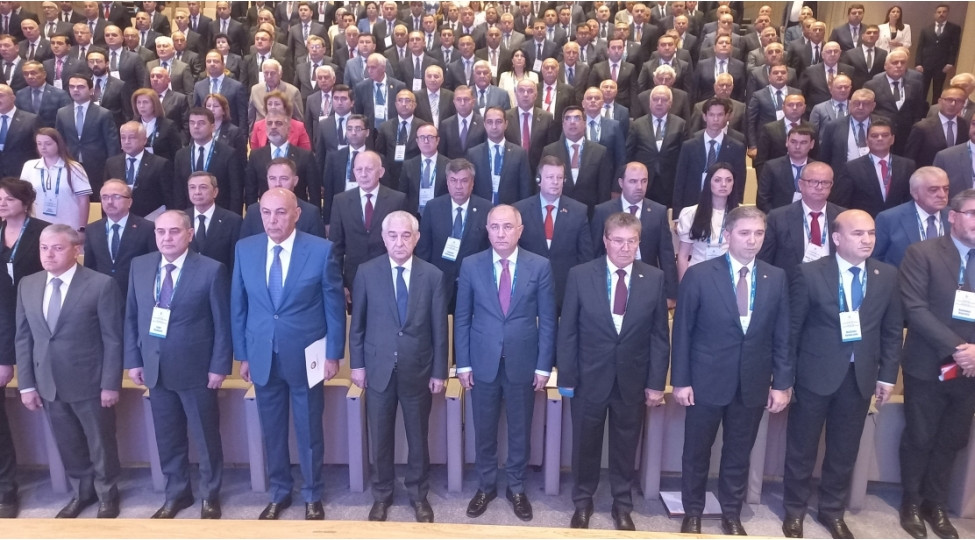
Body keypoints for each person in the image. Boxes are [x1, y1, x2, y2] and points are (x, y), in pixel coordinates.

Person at [671, 206, 792, 535]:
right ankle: (693, 511)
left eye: (759, 233)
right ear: (727, 235)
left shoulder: (775, 277)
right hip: (705, 381)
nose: (752, 240)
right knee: (696, 451)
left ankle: (731, 513)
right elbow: (682, 332)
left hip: (752, 382)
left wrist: (781, 383)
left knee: (739, 453)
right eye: (744, 233)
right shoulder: (699, 274)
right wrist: (680, 381)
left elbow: (782, 335)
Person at [783, 209, 903, 539]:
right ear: (836, 238)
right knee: (802, 447)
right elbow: (792, 330)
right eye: (858, 233)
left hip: (860, 377)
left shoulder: (887, 275)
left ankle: (832, 510)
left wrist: (887, 375)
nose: (867, 240)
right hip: (814, 374)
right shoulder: (809, 273)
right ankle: (794, 509)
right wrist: (785, 378)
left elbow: (892, 330)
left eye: (871, 233)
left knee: (844, 450)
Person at [231, 188, 346, 520]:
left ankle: (312, 493)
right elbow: (238, 306)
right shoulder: (245, 249)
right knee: (272, 430)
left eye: (280, 212)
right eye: (266, 213)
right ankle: (279, 492)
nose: (272, 220)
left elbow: (334, 307)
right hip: (262, 354)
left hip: (306, 356)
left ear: (296, 214)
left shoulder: (321, 250)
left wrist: (333, 354)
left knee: (309, 429)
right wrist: (243, 355)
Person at [557, 211, 669, 531]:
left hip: (632, 379)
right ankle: (583, 502)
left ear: (639, 242)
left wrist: (656, 383)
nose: (624, 247)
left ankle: (622, 505)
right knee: (585, 444)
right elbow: (568, 332)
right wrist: (567, 378)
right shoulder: (580, 275)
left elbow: (659, 336)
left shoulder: (654, 278)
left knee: (625, 446)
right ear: (605, 241)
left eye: (631, 241)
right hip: (588, 377)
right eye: (618, 241)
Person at [124, 210, 231, 520]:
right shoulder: (140, 266)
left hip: (197, 370)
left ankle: (210, 494)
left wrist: (219, 366)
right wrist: (134, 360)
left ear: (189, 234)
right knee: (167, 437)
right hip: (155, 368)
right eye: (161, 232)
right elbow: (131, 315)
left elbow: (222, 324)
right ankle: (177, 493)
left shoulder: (211, 269)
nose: (166, 238)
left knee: (205, 437)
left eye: (174, 231)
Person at [454, 204, 556, 522]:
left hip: (523, 362)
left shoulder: (539, 266)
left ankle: (516, 487)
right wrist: (463, 364)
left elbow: (548, 320)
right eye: (495, 227)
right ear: (487, 230)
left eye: (507, 227)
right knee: (484, 428)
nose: (501, 233)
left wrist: (543, 366)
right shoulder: (471, 265)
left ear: (520, 230)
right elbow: (462, 318)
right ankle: (486, 486)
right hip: (481, 362)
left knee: (520, 429)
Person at [15, 224, 123, 519]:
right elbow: (23, 338)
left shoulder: (100, 285)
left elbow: (113, 338)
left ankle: (107, 494)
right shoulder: (28, 284)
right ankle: (82, 492)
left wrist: (110, 383)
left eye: (57, 248)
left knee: (100, 443)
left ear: (77, 250)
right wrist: (26, 384)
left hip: (90, 381)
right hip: (48, 382)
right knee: (68, 444)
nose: (48, 254)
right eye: (44, 248)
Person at [349, 210, 448, 524]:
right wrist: (357, 365)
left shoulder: (432, 276)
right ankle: (382, 494)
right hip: (377, 369)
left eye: (406, 235)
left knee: (418, 437)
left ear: (416, 238)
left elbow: (439, 329)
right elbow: (358, 325)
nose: (399, 242)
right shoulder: (367, 273)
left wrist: (439, 371)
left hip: (418, 370)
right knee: (380, 436)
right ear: (383, 238)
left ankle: (418, 494)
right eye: (393, 235)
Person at [898, 188, 975, 539]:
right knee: (920, 435)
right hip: (928, 363)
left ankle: (936, 503)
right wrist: (960, 348)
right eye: (972, 213)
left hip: (971, 370)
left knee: (953, 438)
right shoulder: (923, 253)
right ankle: (911, 503)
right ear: (953, 217)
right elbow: (915, 309)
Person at [513, 155, 594, 310]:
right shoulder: (520, 210)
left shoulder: (579, 211)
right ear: (539, 180)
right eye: (550, 177)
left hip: (565, 289)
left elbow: (585, 256)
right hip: (527, 286)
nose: (555, 182)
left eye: (559, 178)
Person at [592, 161, 678, 305]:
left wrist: (671, 293)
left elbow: (666, 254)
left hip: (647, 280)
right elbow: (595, 251)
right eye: (633, 181)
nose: (639, 187)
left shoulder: (658, 212)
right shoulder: (603, 211)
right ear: (621, 183)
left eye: (644, 181)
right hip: (611, 279)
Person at [329, 150, 407, 301]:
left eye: (369, 169)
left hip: (388, 276)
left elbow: (405, 242)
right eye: (359, 169)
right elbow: (335, 247)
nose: (363, 174)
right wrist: (340, 283)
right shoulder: (341, 201)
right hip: (353, 279)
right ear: (353, 172)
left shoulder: (397, 200)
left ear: (381, 172)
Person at [416, 158, 491, 313]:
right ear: (447, 182)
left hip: (475, 283)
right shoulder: (433, 207)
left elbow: (489, 249)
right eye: (453, 180)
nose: (458, 186)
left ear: (472, 183)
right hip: (440, 283)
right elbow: (424, 249)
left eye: (464, 181)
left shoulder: (486, 208)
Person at [759, 162, 845, 274]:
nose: (819, 187)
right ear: (800, 184)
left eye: (825, 182)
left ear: (831, 185)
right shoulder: (777, 218)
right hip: (792, 281)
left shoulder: (843, 217)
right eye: (813, 182)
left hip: (833, 279)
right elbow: (765, 262)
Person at [672, 97, 746, 217]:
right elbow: (680, 181)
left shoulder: (736, 148)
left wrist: (735, 213)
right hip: (692, 204)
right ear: (704, 116)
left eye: (720, 115)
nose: (715, 119)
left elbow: (739, 184)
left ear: (726, 117)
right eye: (711, 115)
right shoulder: (689, 146)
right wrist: (676, 215)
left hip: (723, 207)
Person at [83, 179, 156, 296]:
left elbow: (153, 264)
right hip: (102, 294)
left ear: (129, 202)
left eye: (116, 197)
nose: (109, 202)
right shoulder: (92, 229)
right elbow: (89, 267)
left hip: (135, 292)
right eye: (105, 197)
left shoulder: (147, 228)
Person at [54, 75, 120, 198]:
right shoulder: (62, 113)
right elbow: (59, 140)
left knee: (96, 199)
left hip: (97, 165)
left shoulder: (103, 113)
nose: (75, 90)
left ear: (91, 90)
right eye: (72, 87)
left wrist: (113, 169)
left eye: (80, 87)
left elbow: (112, 143)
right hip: (71, 163)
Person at [835, 119, 914, 218]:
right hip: (864, 222)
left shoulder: (907, 165)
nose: (880, 139)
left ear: (892, 139)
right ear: (866, 140)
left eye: (885, 135)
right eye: (874, 136)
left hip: (898, 221)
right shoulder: (851, 168)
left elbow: (910, 199)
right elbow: (842, 204)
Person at [539, 106, 611, 214]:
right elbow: (542, 185)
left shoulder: (600, 152)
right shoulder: (550, 151)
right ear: (563, 124)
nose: (572, 122)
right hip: (557, 212)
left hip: (590, 213)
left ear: (585, 123)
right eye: (568, 118)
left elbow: (604, 191)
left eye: (577, 118)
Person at [172, 107, 244, 215]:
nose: (196, 126)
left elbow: (236, 192)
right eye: (192, 123)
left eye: (201, 123)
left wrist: (234, 218)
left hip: (220, 214)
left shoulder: (228, 154)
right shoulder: (181, 155)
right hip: (189, 215)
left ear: (213, 127)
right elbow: (178, 191)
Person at [874, 167, 950, 267]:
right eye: (933, 190)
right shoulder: (889, 219)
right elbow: (875, 260)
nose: (942, 195)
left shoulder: (956, 216)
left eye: (946, 189)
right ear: (915, 193)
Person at [676, 163, 740, 281]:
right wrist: (684, 285)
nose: (723, 184)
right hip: (697, 273)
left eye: (729, 180)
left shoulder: (741, 214)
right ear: (708, 182)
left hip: (729, 274)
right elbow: (683, 256)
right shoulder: (690, 213)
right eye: (717, 180)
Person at [20, 127, 90, 232]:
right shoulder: (29, 166)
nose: (43, 147)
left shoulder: (74, 167)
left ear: (58, 144)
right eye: (39, 144)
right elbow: (23, 197)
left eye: (48, 144)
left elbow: (83, 200)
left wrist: (82, 227)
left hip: (69, 225)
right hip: (38, 225)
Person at [241, 157, 326, 240]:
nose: (277, 184)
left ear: (295, 181)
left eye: (284, 178)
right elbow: (244, 245)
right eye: (272, 178)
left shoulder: (311, 213)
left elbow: (319, 246)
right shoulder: (253, 212)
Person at [103, 121, 173, 218]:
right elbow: (105, 193)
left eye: (132, 137)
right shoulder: (111, 163)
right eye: (123, 137)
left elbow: (169, 198)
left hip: (150, 217)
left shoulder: (160, 164)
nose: (127, 141)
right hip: (119, 217)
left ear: (144, 140)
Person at [467, 106, 533, 205]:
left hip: (510, 209)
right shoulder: (473, 154)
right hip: (481, 209)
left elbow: (525, 189)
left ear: (506, 124)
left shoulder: (519, 153)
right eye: (490, 122)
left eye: (498, 122)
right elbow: (469, 186)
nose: (494, 126)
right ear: (484, 125)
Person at [186, 171, 242, 272]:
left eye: (203, 187)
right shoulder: (181, 219)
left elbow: (235, 260)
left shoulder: (233, 220)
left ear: (215, 192)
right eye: (192, 187)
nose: (197, 192)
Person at [756, 125, 816, 214]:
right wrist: (776, 218)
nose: (797, 146)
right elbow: (762, 200)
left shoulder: (819, 169)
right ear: (787, 142)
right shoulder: (771, 167)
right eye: (793, 142)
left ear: (812, 144)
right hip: (778, 217)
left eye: (803, 143)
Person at [0, 177, 50, 286]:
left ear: (26, 204)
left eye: (10, 199)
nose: (2, 203)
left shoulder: (45, 230)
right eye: (0, 199)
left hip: (33, 291)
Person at [905, 85, 969, 168]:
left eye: (959, 101)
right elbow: (910, 158)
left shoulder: (964, 125)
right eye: (949, 99)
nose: (953, 104)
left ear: (963, 104)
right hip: (928, 172)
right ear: (940, 101)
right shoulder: (922, 127)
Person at [914, 4, 961, 105]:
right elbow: (920, 47)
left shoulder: (954, 28)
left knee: (938, 91)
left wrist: (950, 63)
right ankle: (920, 111)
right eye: (939, 12)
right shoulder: (926, 29)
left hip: (942, 65)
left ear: (947, 13)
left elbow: (955, 47)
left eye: (944, 12)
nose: (941, 14)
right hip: (925, 64)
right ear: (935, 14)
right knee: (922, 90)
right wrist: (918, 63)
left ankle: (935, 111)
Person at [130, 89, 182, 163]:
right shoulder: (131, 126)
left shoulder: (168, 126)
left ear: (154, 104)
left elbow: (176, 154)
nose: (141, 106)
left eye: (145, 102)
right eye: (138, 102)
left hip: (162, 167)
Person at [204, 93, 247, 165]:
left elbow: (242, 161)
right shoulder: (200, 130)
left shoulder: (235, 132)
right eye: (208, 106)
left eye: (215, 106)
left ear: (224, 110)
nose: (211, 109)